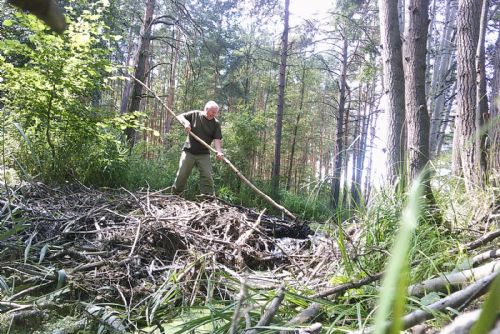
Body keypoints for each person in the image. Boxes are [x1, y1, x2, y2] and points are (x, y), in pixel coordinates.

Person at [172, 101, 224, 196]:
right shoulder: (195, 114)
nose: (214, 114)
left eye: (216, 112)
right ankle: (176, 195)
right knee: (182, 174)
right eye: (212, 111)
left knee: (207, 176)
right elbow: (179, 116)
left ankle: (207, 198)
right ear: (206, 109)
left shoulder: (216, 123)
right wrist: (186, 123)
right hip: (189, 151)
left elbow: (217, 139)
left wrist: (219, 152)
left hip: (204, 154)